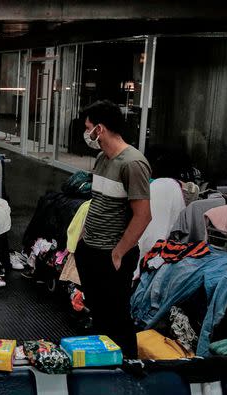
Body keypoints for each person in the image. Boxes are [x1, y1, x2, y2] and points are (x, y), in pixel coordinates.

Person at [74, 100, 152, 358]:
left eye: (88, 128)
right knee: (98, 314)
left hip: (112, 254)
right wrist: (83, 239)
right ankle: (103, 368)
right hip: (90, 249)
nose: (86, 134)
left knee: (117, 318)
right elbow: (98, 202)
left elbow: (143, 216)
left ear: (100, 129)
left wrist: (118, 253)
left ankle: (128, 368)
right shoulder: (101, 158)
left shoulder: (132, 163)